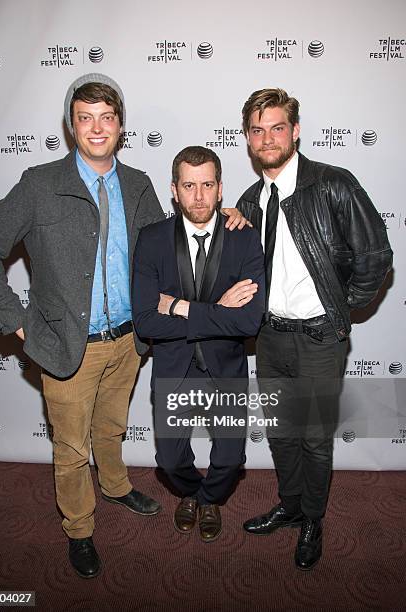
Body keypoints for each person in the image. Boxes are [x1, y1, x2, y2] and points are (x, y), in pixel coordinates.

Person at [0, 73, 248, 578]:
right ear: (71, 125)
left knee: (111, 427)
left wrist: (221, 214)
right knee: (72, 449)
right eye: (85, 118)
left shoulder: (138, 184)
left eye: (106, 117)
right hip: (67, 345)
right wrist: (20, 326)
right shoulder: (39, 184)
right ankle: (79, 528)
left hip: (128, 341)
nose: (96, 128)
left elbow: (173, 244)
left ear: (121, 125)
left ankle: (117, 486)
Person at [237, 88, 392, 570]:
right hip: (270, 335)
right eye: (258, 130)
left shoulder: (333, 184)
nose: (268, 138)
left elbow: (375, 257)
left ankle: (314, 520)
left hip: (319, 337)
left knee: (313, 436)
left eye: (277, 127)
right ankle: (290, 504)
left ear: (296, 131)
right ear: (247, 138)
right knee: (282, 432)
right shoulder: (251, 198)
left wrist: (338, 312)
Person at [132, 146, 264, 542]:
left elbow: (248, 320)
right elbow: (145, 320)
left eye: (207, 185)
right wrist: (215, 310)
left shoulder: (244, 239)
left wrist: (179, 307)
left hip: (226, 367)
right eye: (189, 186)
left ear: (221, 188)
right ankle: (191, 492)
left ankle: (208, 500)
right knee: (169, 460)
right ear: (174, 190)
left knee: (231, 458)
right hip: (175, 366)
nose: (199, 196)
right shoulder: (152, 239)